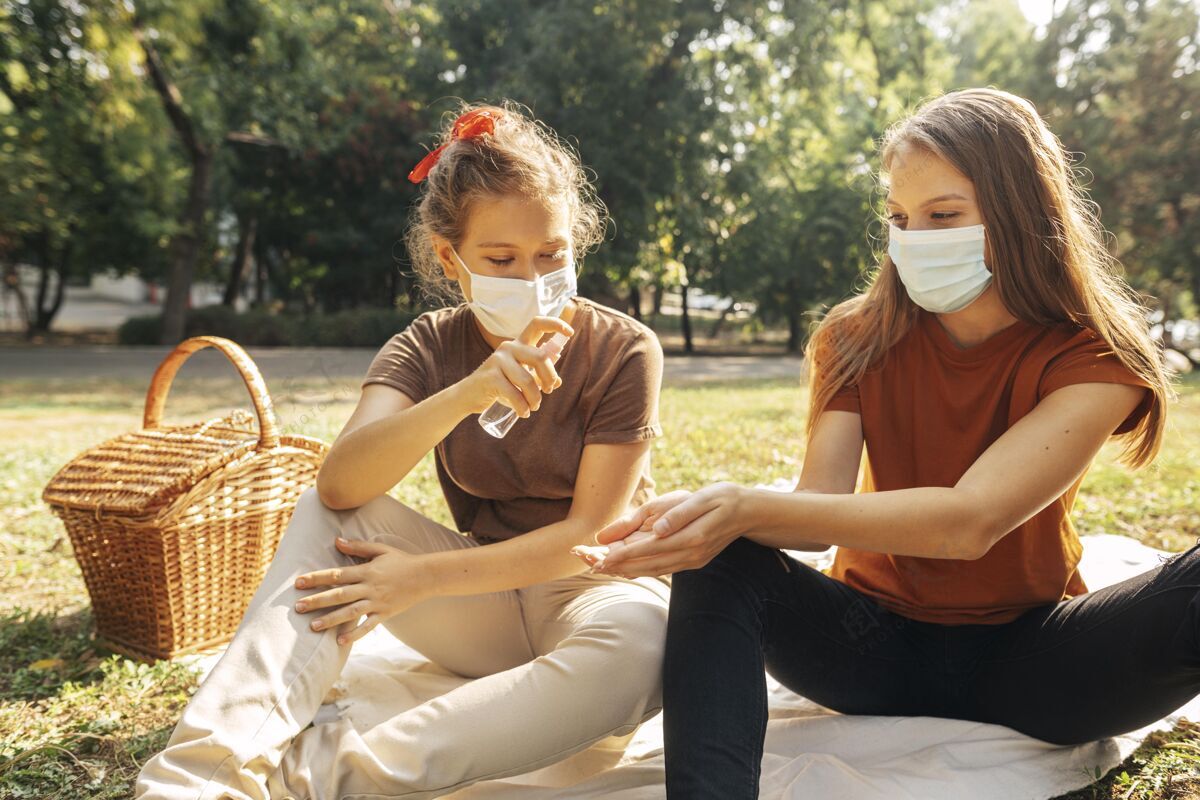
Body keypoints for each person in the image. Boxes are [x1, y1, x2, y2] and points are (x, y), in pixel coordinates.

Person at [581, 87, 1188, 799]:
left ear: (1023, 215)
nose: (914, 237)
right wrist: (715, 518)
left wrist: (742, 505)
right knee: (724, 560)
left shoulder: (1094, 357)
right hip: (869, 650)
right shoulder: (854, 337)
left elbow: (971, 522)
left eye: (944, 216)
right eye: (900, 217)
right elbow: (817, 507)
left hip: (1034, 662)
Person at [135, 102, 670, 800]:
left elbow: (587, 538)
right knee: (333, 520)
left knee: (645, 646)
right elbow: (339, 484)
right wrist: (466, 394)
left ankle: (324, 782)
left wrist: (419, 579)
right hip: (486, 602)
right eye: (502, 260)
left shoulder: (624, 349)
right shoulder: (428, 346)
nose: (535, 280)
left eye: (553, 255)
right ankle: (199, 779)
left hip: (596, 596)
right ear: (452, 260)